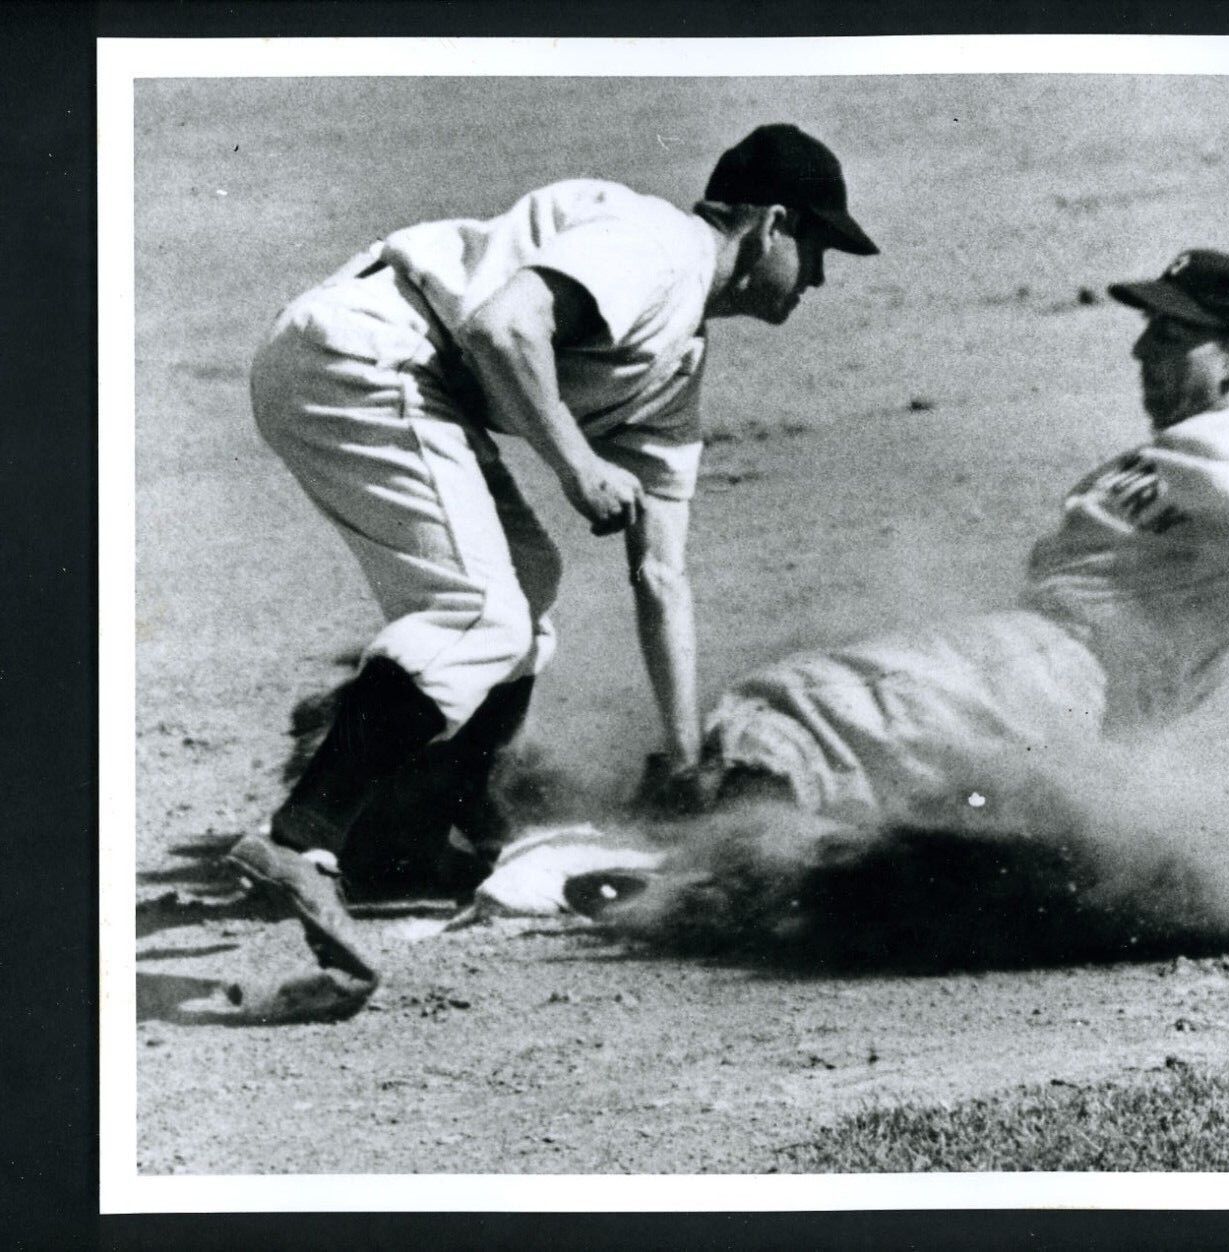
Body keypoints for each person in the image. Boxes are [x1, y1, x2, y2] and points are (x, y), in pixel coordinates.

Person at [227, 124, 878, 981]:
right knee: (479, 613)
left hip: (389, 378)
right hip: (365, 354)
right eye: (819, 248)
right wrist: (576, 464)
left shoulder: (676, 361)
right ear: (769, 226)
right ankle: (298, 841)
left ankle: (405, 845)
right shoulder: (659, 248)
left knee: (526, 600)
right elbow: (506, 326)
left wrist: (685, 759)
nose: (820, 278)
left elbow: (662, 574)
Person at [637, 248, 1229, 826]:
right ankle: (749, 853)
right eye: (1147, 331)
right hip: (1044, 681)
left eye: (1173, 337)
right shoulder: (1192, 452)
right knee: (828, 727)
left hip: (1050, 673)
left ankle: (700, 853)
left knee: (799, 708)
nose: (1143, 352)